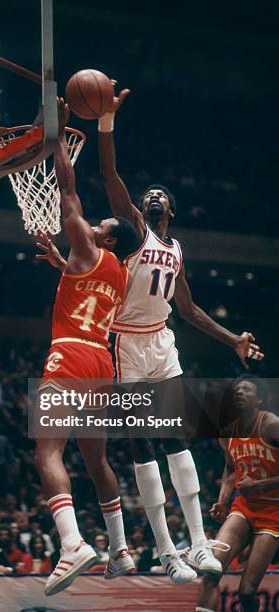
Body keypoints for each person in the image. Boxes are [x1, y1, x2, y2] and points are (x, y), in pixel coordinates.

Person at [95, 86, 264, 583]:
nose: (152, 195)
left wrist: (232, 338)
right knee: (141, 442)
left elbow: (187, 309)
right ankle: (166, 551)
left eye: (160, 195)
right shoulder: (135, 231)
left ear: (171, 207)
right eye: (147, 194)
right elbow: (110, 176)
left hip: (161, 342)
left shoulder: (177, 249)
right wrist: (106, 123)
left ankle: (196, 544)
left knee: (176, 438)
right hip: (125, 341)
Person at [35, 100, 141, 596]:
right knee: (96, 461)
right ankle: (120, 550)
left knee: (48, 453)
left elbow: (68, 191)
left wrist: (56, 135)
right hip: (101, 360)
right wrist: (63, 264)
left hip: (70, 354)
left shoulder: (87, 245)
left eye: (102, 225)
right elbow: (86, 286)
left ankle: (73, 543)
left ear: (108, 237)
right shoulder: (118, 276)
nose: (95, 223)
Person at [196, 379, 279, 612]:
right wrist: (222, 500)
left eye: (246, 389)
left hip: (273, 511)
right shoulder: (227, 432)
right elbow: (231, 469)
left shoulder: (271, 424)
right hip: (244, 507)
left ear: (258, 399)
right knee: (211, 571)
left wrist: (261, 484)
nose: (239, 393)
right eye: (236, 390)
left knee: (247, 592)